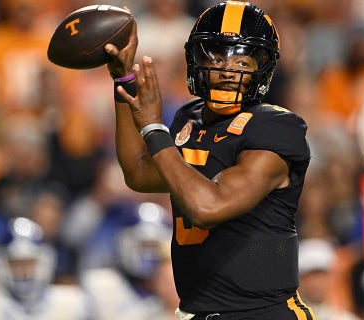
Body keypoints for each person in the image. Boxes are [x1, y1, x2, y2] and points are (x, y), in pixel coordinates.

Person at [104, 1, 314, 319]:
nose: (229, 70)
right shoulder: (190, 117)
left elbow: (207, 208)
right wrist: (123, 81)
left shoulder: (276, 127)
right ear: (196, 58)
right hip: (198, 312)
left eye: (243, 61)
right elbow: (137, 172)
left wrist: (153, 128)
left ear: (263, 67)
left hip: (262, 313)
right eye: (217, 57)